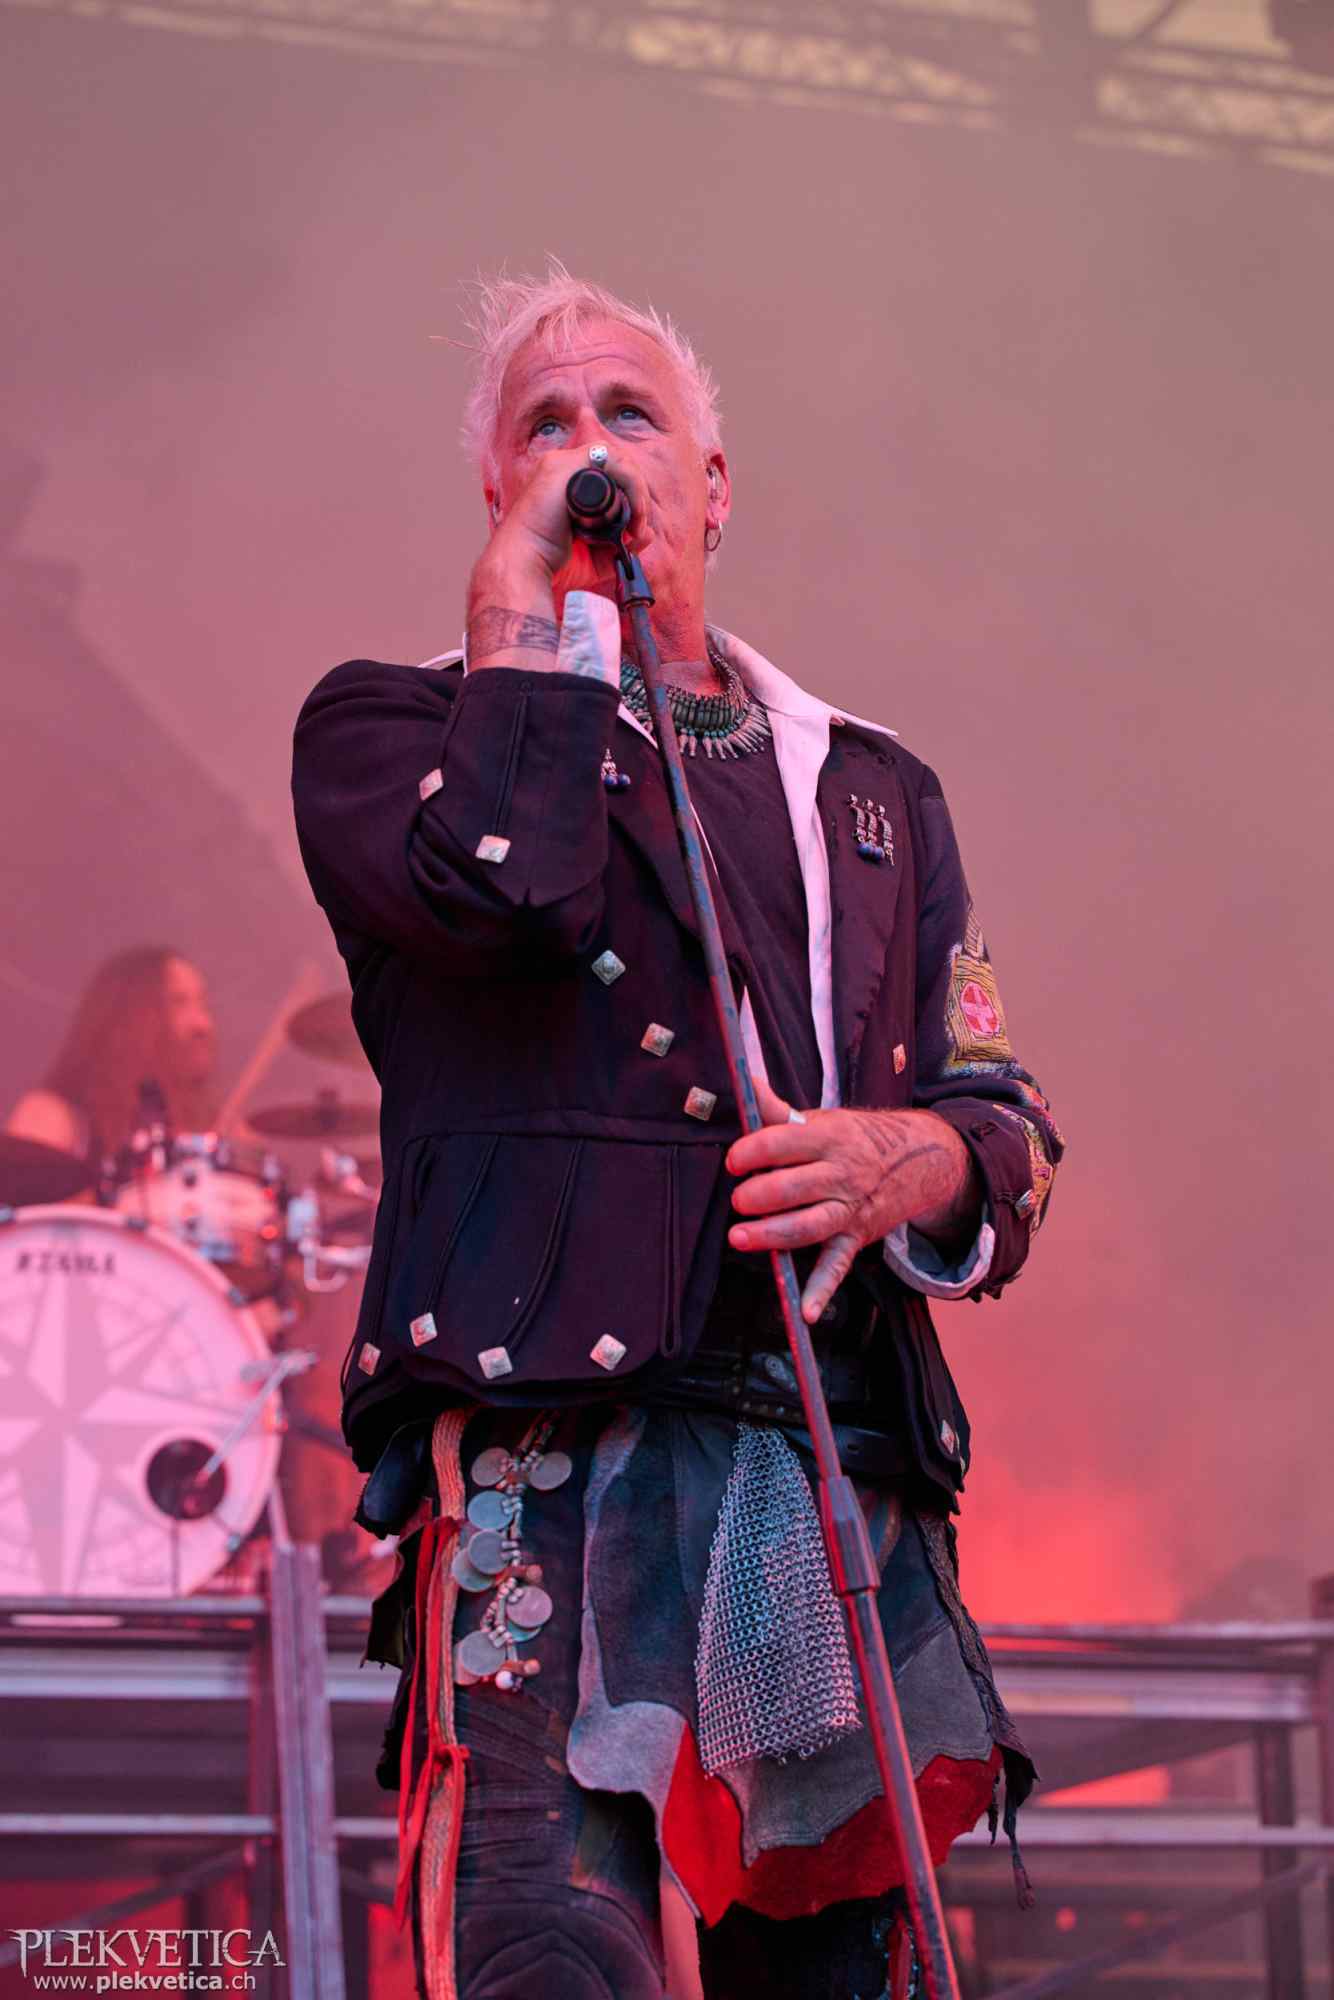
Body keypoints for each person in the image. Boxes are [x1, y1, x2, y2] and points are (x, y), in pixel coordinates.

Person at [291, 266, 1065, 2000]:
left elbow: (1000, 1118)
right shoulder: (390, 732)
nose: (588, 450)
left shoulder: (867, 787)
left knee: (842, 1972)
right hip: (551, 1467)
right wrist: (527, 634)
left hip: (827, 1463)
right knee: (551, 1952)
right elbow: (501, 897)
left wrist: (910, 1161)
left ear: (711, 486)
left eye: (626, 414)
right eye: (544, 426)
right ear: (495, 490)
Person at [6, 946, 218, 1163]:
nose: (204, 1024)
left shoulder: (206, 1132)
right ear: (128, 1019)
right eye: (178, 1003)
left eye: (203, 1005)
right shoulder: (53, 1118)